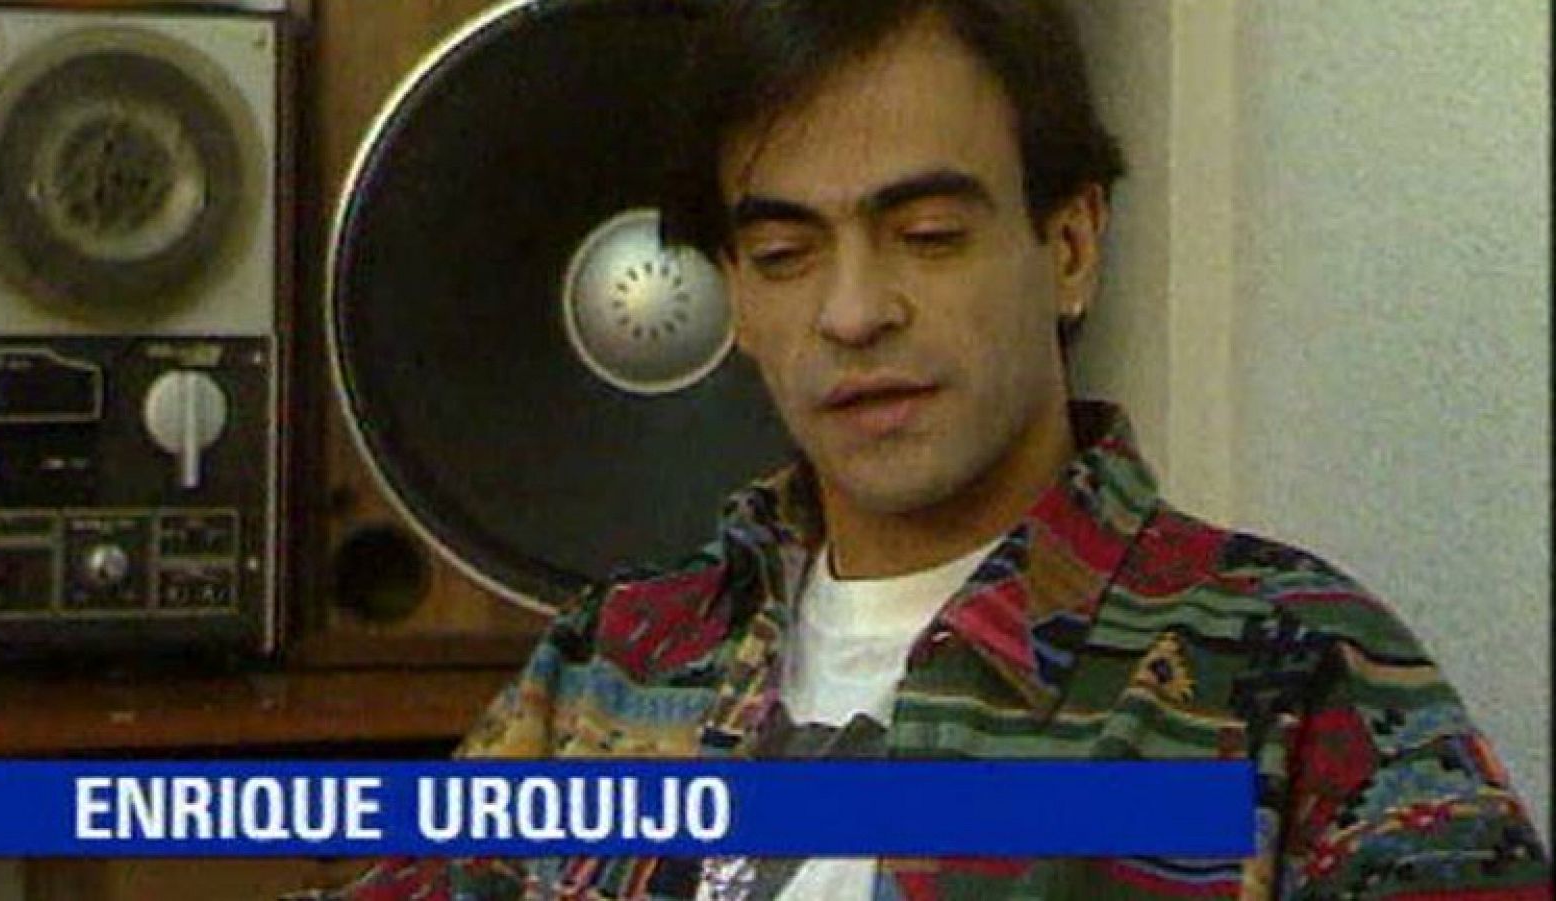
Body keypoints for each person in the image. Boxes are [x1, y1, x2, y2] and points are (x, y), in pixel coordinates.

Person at [325, 0, 1550, 897]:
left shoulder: (1286, 665)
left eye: (925, 235)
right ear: (734, 298)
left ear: (1068, 246)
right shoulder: (609, 667)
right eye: (785, 255)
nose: (854, 312)